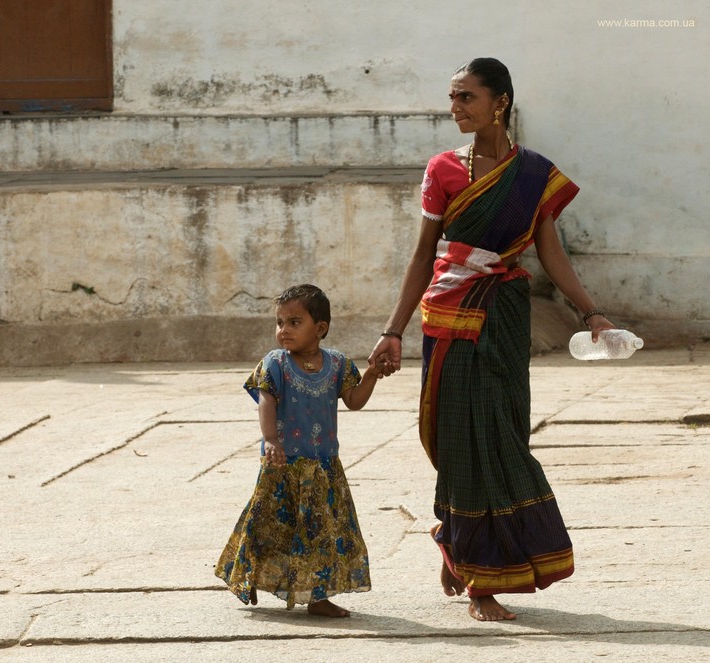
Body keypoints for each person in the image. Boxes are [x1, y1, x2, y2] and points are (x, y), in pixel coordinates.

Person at [367, 57, 615, 622]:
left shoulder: (534, 174)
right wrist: (392, 331)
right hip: (449, 318)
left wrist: (591, 313)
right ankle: (479, 578)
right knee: (460, 440)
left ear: (499, 101)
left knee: (501, 437)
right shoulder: (443, 170)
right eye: (452, 98)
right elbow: (422, 255)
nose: (455, 108)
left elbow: (550, 252)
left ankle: (459, 546)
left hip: (503, 318)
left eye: (466, 98)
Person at [216, 284, 385, 617]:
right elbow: (266, 399)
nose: (283, 330)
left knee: (323, 535)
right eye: (279, 322)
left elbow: (354, 401)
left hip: (323, 469)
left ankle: (319, 598)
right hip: (283, 466)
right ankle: (249, 578)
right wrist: (270, 440)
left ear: (320, 328)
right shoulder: (275, 363)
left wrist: (373, 375)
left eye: (294, 322)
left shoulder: (337, 364)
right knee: (267, 527)